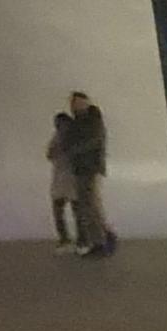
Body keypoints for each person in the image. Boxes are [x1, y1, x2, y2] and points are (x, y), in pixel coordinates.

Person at [63, 91, 114, 256]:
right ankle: (102, 237)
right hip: (83, 168)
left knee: (89, 206)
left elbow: (91, 142)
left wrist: (72, 150)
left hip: (88, 168)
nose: (75, 106)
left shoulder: (92, 122)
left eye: (78, 103)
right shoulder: (82, 122)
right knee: (89, 205)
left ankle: (100, 242)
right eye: (73, 103)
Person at [45, 109, 80, 246]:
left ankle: (81, 238)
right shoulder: (56, 138)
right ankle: (64, 238)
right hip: (59, 178)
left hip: (72, 179)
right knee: (58, 212)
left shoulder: (75, 139)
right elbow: (49, 155)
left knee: (77, 212)